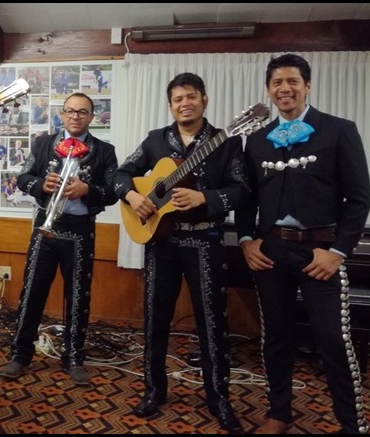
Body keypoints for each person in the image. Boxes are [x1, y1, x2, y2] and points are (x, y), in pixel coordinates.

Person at [236, 54, 370, 435]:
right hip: (272, 253)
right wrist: (247, 240)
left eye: (293, 81)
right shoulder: (257, 140)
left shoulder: (339, 130)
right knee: (275, 336)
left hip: (322, 253)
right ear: (268, 89)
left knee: (333, 339)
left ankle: (352, 424)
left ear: (307, 85)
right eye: (277, 82)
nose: (285, 89)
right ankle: (279, 413)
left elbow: (359, 198)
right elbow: (247, 199)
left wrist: (339, 251)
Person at [113, 72, 247, 433]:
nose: (184, 103)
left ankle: (218, 397)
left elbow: (241, 190)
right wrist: (133, 196)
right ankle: (154, 390)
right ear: (170, 105)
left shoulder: (226, 141)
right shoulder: (157, 140)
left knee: (212, 322)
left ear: (204, 99)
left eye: (191, 97)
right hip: (162, 243)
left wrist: (206, 198)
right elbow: (120, 173)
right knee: (155, 320)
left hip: (205, 240)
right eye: (177, 99)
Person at [0, 92, 118, 385]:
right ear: (62, 115)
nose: (75, 116)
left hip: (80, 231)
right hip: (45, 227)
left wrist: (87, 190)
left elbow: (115, 191)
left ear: (92, 117)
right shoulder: (43, 144)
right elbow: (22, 178)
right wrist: (42, 184)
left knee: (79, 296)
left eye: (82, 111)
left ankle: (74, 357)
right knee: (31, 292)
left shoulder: (105, 150)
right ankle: (20, 354)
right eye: (70, 111)